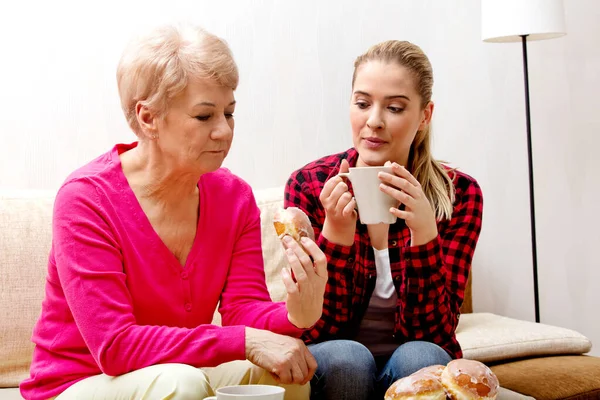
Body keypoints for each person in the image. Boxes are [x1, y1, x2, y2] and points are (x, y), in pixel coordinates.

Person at [20, 24, 327, 400]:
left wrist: (298, 313)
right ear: (148, 118)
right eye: (204, 117)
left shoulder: (234, 197)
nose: (224, 131)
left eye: (229, 113)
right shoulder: (86, 200)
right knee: (182, 384)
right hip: (77, 384)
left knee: (286, 375)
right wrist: (243, 341)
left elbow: (243, 310)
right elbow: (115, 347)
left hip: (175, 372)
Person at [284, 40, 484, 399]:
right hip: (335, 362)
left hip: (413, 357)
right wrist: (336, 235)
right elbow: (316, 329)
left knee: (421, 357)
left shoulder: (460, 194)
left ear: (424, 115)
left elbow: (436, 334)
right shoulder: (309, 185)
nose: (373, 122)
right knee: (347, 358)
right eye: (362, 104)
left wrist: (423, 234)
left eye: (394, 108)